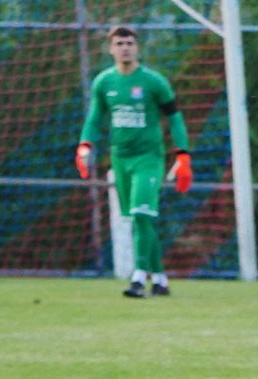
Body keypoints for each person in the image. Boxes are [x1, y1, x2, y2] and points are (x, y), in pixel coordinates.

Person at [75, 25, 193, 298]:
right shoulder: (104, 82)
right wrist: (84, 145)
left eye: (129, 43)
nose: (125, 48)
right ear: (111, 49)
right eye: (119, 44)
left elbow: (175, 119)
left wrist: (183, 155)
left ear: (137, 47)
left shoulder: (154, 82)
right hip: (121, 159)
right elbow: (94, 118)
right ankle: (160, 279)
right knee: (140, 219)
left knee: (141, 214)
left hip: (148, 159)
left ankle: (139, 278)